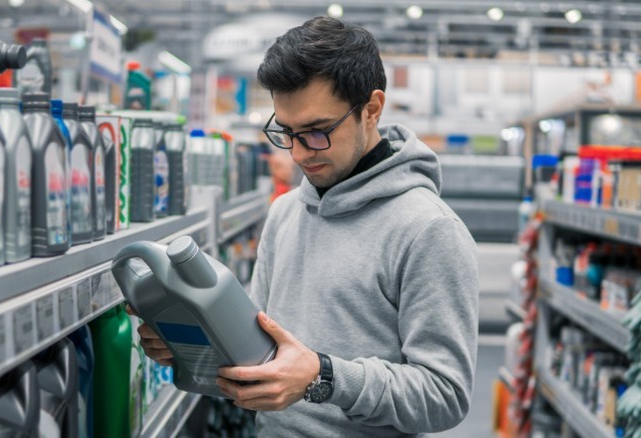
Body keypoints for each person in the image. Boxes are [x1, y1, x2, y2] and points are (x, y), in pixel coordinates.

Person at [133, 16, 479, 437]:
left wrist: (325, 377)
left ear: (371, 109)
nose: (298, 153)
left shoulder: (429, 230)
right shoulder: (285, 213)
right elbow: (257, 354)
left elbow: (445, 395)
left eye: (316, 132)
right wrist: (190, 346)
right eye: (286, 132)